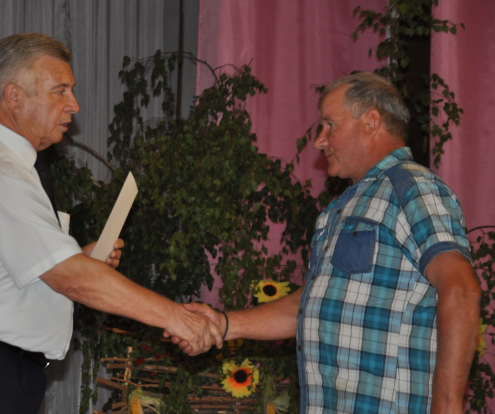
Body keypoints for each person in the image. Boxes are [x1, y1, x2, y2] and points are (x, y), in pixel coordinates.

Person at [0, 33, 222, 414]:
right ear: (14, 96)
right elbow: (72, 279)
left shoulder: (8, 165)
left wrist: (79, 259)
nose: (74, 104)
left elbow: (12, 272)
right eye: (60, 90)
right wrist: (176, 317)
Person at [171, 73, 481, 414]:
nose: (319, 140)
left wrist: (447, 406)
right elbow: (310, 304)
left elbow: (461, 289)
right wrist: (224, 325)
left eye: (330, 125)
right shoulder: (343, 208)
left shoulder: (412, 188)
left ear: (371, 122)